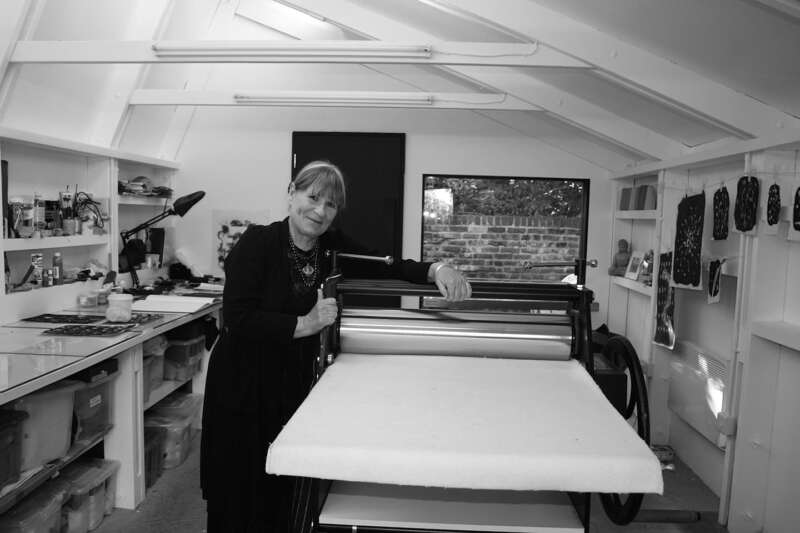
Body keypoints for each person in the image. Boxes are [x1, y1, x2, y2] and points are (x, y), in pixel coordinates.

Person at [200, 160, 471, 532]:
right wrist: (306, 323)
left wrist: (437, 269)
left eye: (330, 205)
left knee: (287, 478)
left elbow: (388, 265)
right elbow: (238, 317)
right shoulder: (257, 242)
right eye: (312, 198)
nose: (319, 211)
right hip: (244, 381)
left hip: (291, 380)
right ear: (291, 193)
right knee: (242, 480)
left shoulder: (331, 250)